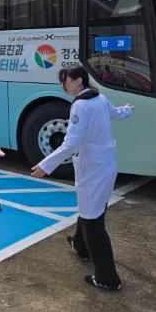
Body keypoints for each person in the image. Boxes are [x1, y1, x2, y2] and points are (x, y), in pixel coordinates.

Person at [31, 65, 133, 291]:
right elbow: (117, 113)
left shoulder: (80, 105)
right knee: (94, 210)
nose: (63, 85)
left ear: (79, 81)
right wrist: (129, 109)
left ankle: (107, 278)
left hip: (93, 170)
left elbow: (70, 143)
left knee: (93, 222)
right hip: (106, 166)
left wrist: (46, 165)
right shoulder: (99, 98)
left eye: (66, 81)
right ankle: (81, 245)